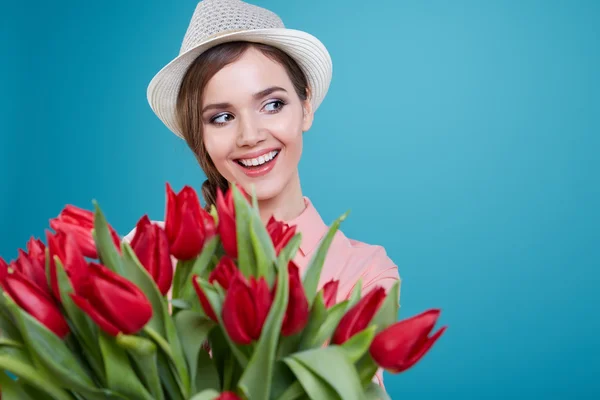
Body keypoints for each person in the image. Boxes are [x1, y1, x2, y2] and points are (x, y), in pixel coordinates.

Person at [123, 0, 400, 388]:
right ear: (198, 136)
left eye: (272, 104)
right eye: (222, 117)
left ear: (305, 107)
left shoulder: (364, 273)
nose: (250, 136)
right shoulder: (152, 252)